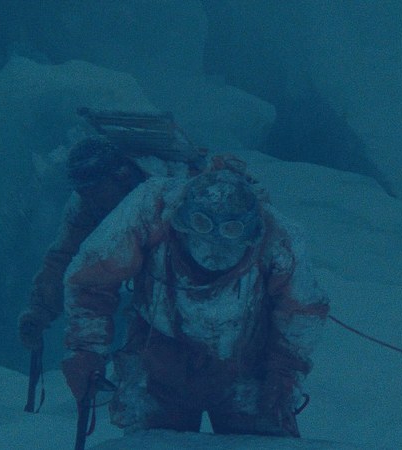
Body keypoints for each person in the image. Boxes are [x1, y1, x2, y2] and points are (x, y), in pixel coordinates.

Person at [60, 161, 329, 437]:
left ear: (249, 234)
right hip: (159, 360)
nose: (212, 252)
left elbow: (302, 311)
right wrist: (85, 348)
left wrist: (284, 373)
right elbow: (91, 280)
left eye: (229, 232)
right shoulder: (151, 209)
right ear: (183, 222)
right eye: (201, 227)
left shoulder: (279, 239)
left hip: (246, 365)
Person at [17, 136, 150, 352]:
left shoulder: (162, 195)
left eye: (94, 189)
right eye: (81, 192)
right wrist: (39, 310)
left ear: (121, 176)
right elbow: (64, 257)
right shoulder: (86, 204)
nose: (89, 198)